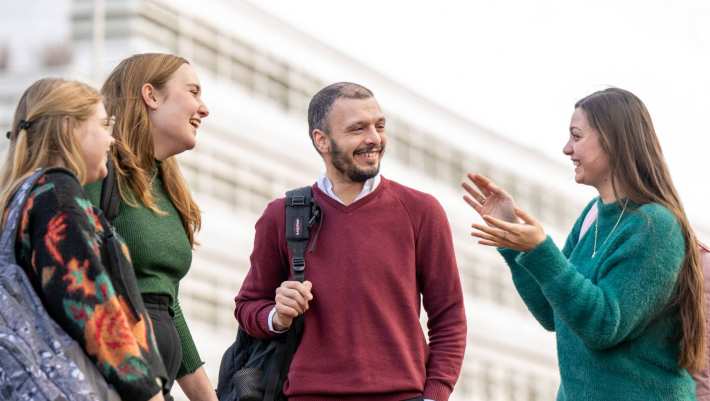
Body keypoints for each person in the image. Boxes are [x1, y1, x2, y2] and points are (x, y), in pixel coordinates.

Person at [463, 87, 705, 401]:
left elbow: (604, 324)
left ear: (613, 139)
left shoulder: (656, 226)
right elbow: (552, 314)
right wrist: (514, 239)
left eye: (576, 136)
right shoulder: (592, 215)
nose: (566, 149)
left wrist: (541, 250)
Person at [234, 82, 467, 401]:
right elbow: (247, 306)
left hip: (402, 396)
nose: (374, 138)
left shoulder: (421, 210)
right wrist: (277, 314)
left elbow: (449, 316)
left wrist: (435, 395)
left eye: (379, 126)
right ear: (322, 140)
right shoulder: (282, 215)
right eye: (358, 129)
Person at [0, 78, 167, 401]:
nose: (112, 139)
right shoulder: (57, 198)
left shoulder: (22, 200)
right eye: (105, 124)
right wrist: (149, 393)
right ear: (69, 128)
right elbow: (94, 310)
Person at [85, 53, 216, 401]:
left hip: (155, 385)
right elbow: (81, 287)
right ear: (151, 95)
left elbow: (167, 302)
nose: (204, 109)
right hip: (111, 385)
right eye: (194, 92)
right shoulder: (99, 172)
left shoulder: (168, 186)